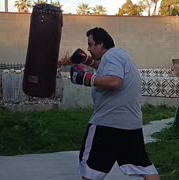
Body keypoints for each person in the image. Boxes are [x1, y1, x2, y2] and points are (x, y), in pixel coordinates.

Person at [69, 27, 160, 180]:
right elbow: (106, 69)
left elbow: (115, 81)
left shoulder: (112, 56)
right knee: (144, 167)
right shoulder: (118, 56)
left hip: (107, 124)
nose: (88, 48)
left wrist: (86, 79)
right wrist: (87, 61)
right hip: (131, 126)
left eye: (91, 44)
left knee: (89, 170)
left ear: (101, 44)